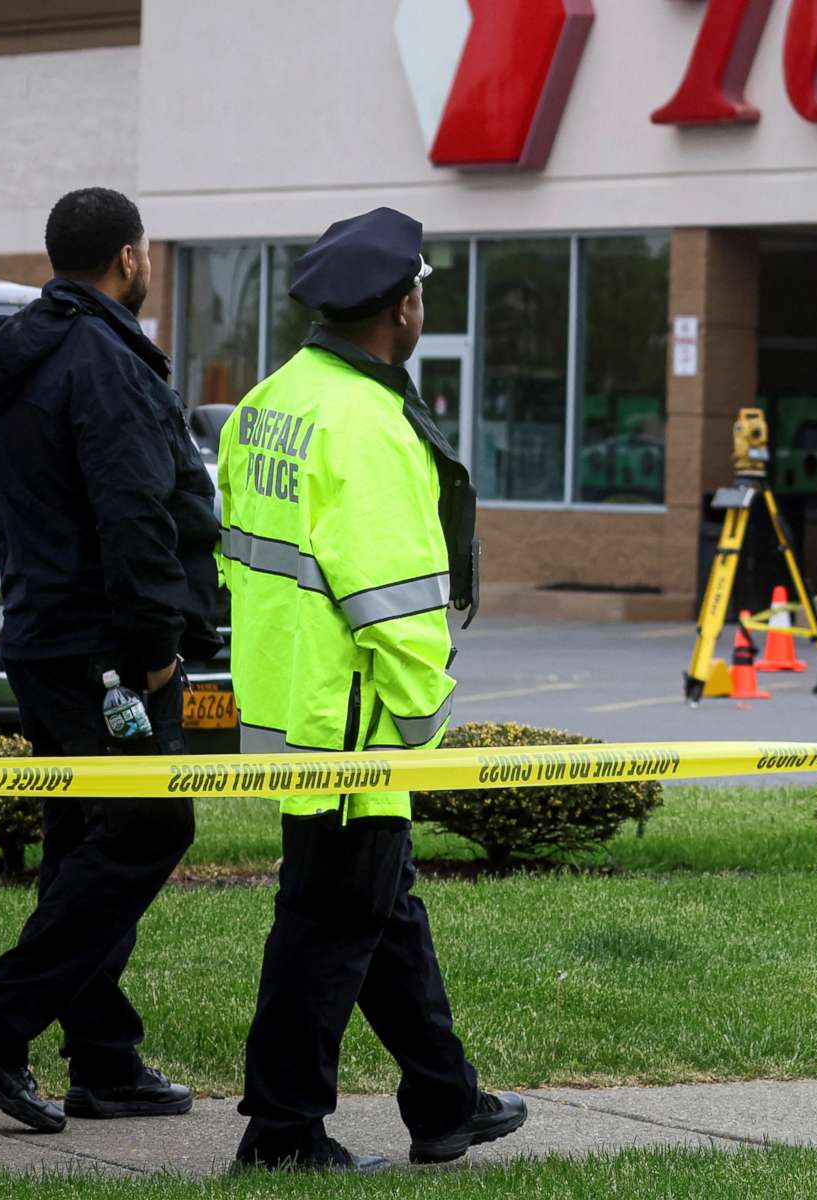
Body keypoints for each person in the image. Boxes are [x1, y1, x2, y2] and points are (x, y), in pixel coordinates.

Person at [221, 207, 527, 1173]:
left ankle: (447, 1103)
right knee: (326, 929)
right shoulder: (372, 428)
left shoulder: (269, 401)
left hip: (289, 711)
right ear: (403, 308)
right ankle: (281, 1134)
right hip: (352, 729)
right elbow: (391, 609)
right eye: (423, 293)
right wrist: (427, 719)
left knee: (379, 910)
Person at [0, 187, 216, 1133]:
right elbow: (134, 512)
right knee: (146, 833)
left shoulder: (24, 355)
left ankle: (105, 1059)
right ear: (128, 259)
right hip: (107, 652)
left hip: (43, 638)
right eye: (149, 253)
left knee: (80, 842)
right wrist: (154, 653)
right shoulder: (102, 360)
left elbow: (4, 512)